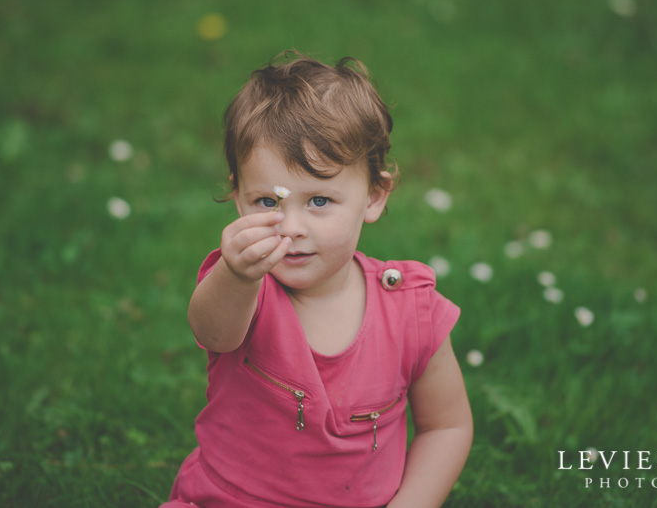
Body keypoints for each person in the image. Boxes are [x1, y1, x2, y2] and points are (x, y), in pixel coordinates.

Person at [162, 52, 472, 507]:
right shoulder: (244, 288)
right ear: (237, 197)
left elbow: (447, 426)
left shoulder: (411, 312)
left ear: (374, 196)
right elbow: (213, 332)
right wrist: (235, 274)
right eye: (267, 201)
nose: (290, 227)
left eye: (320, 201)